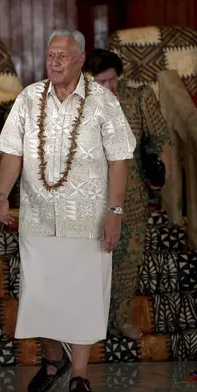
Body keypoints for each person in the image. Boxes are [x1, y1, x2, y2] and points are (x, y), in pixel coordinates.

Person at [0, 30, 136, 392]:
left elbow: (120, 160)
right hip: (38, 216)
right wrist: (1, 194)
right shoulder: (29, 98)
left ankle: (79, 375)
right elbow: (13, 151)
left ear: (80, 60)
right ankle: (55, 359)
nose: (53, 61)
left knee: (85, 295)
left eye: (62, 55)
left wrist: (115, 211)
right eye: (50, 55)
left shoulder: (103, 101)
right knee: (40, 295)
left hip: (88, 218)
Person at [84, 49, 172, 340]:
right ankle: (91, 321)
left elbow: (159, 138)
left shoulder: (139, 97)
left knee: (127, 259)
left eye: (112, 80)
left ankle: (121, 320)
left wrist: (159, 173)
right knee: (92, 260)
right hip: (91, 193)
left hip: (132, 192)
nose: (108, 87)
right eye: (101, 81)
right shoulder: (79, 103)